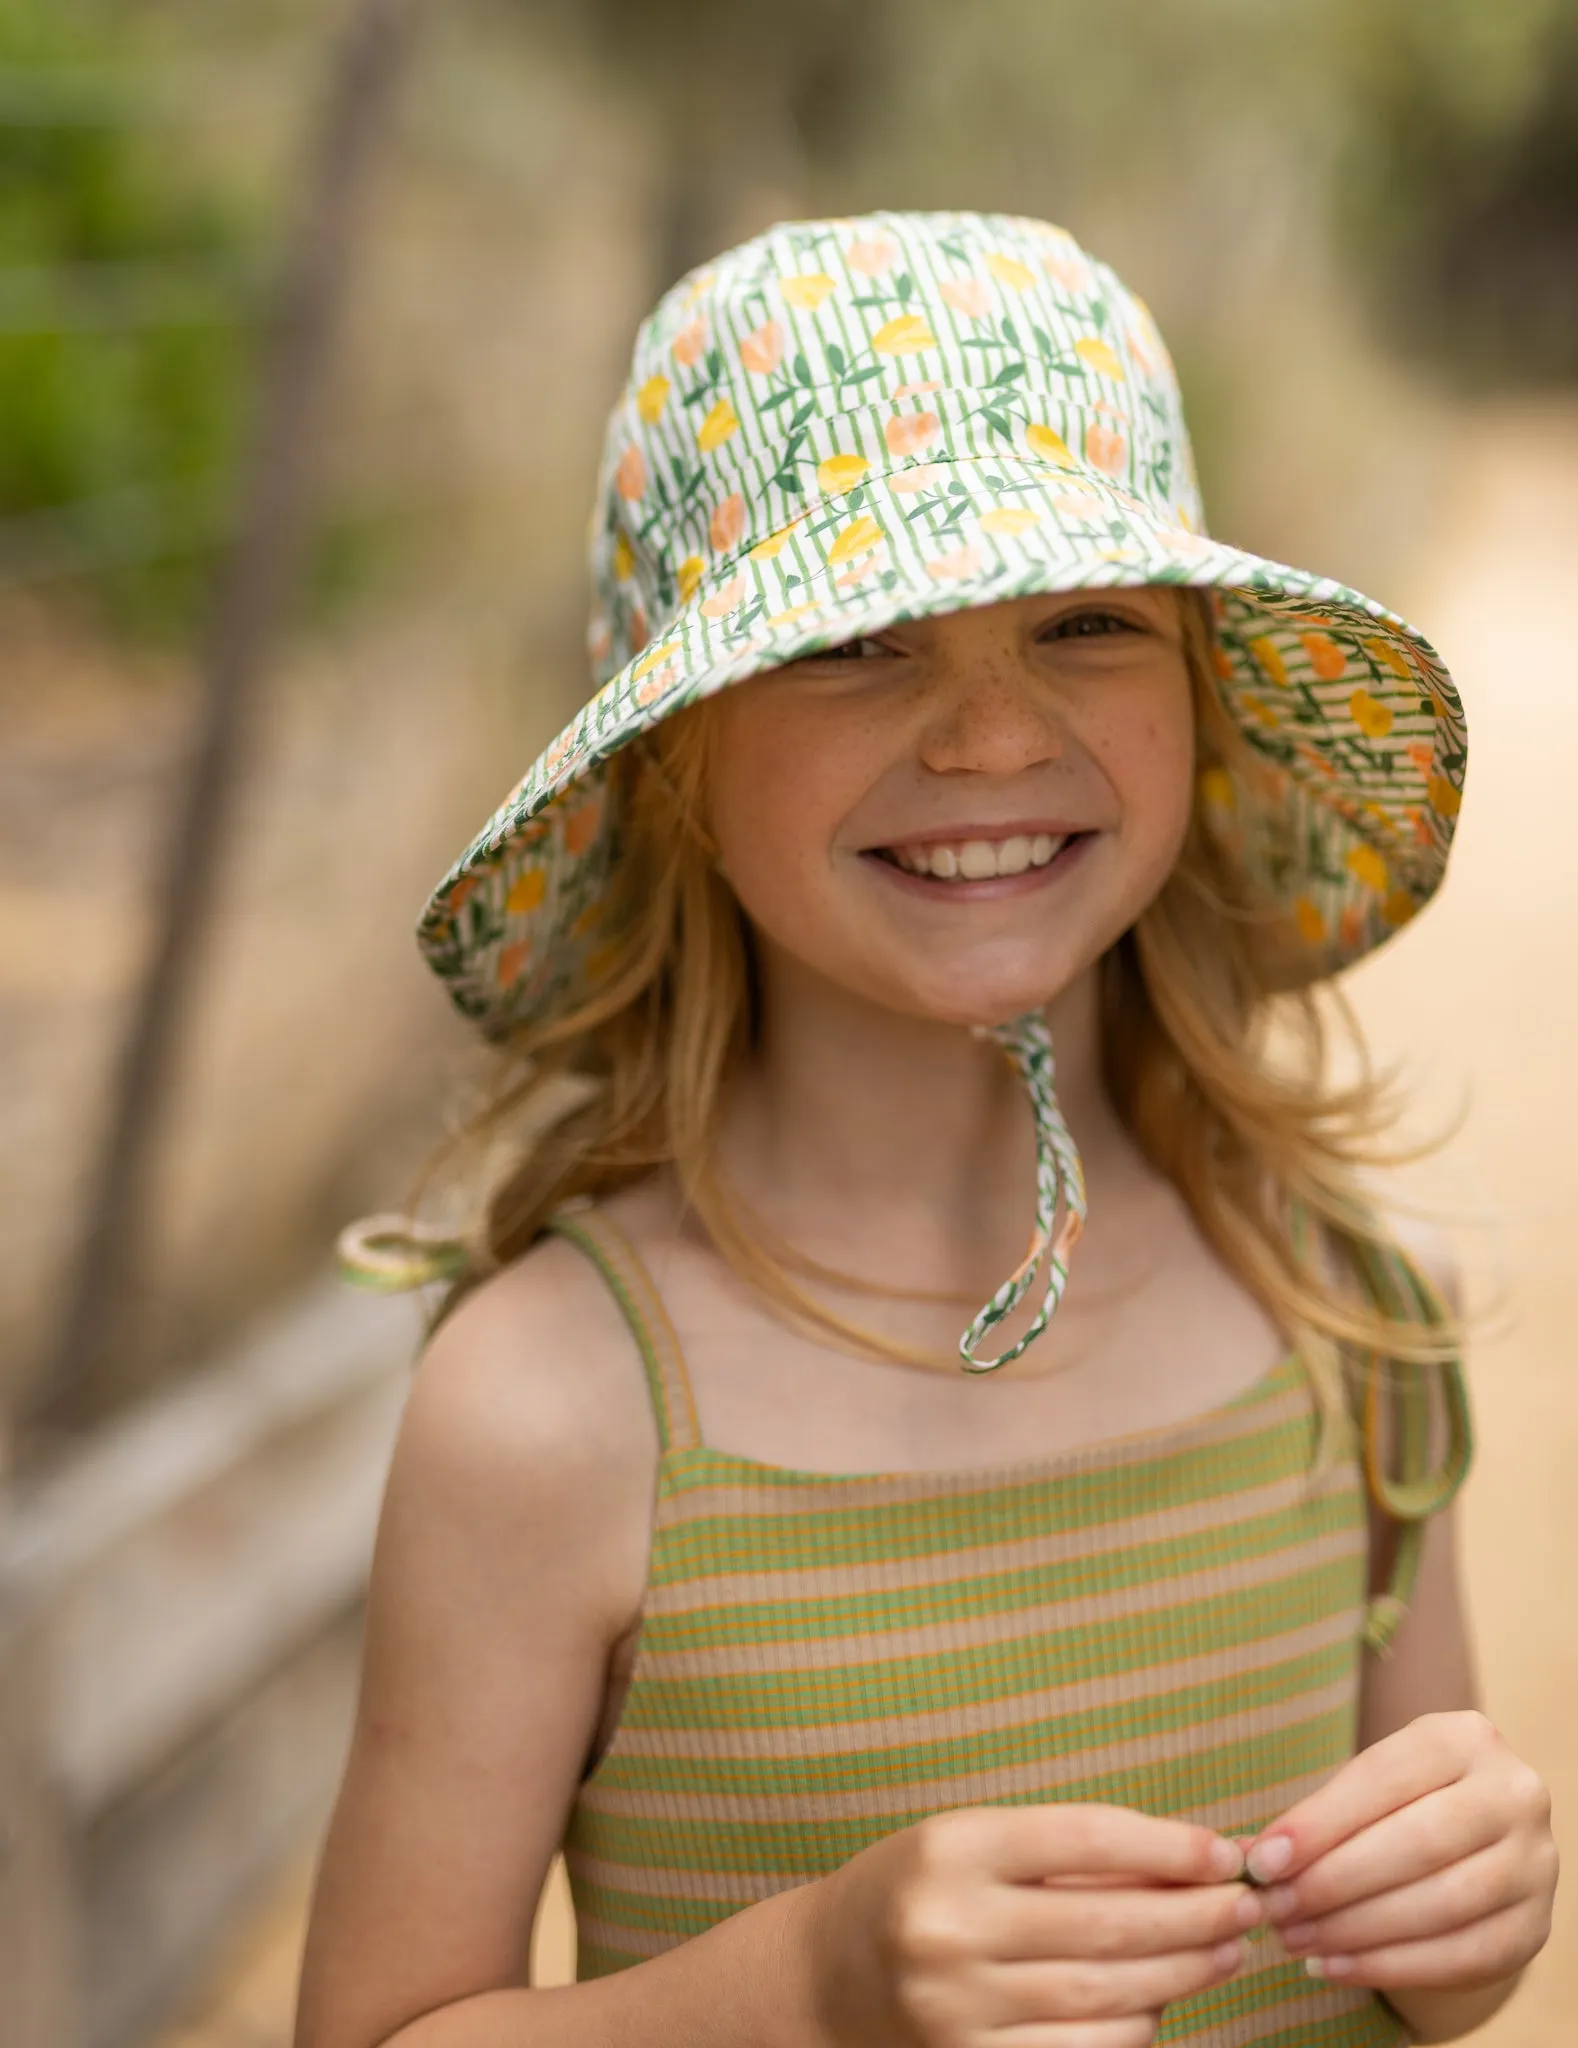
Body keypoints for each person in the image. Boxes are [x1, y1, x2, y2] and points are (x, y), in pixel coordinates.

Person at [294, 212, 1556, 2048]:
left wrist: (1466, 1918)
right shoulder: (555, 1414)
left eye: (1085, 622)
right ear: (676, 757)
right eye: (856, 641)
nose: (984, 734)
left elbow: (1414, 1974)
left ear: (1197, 701)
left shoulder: (1346, 1305)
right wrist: (805, 1986)